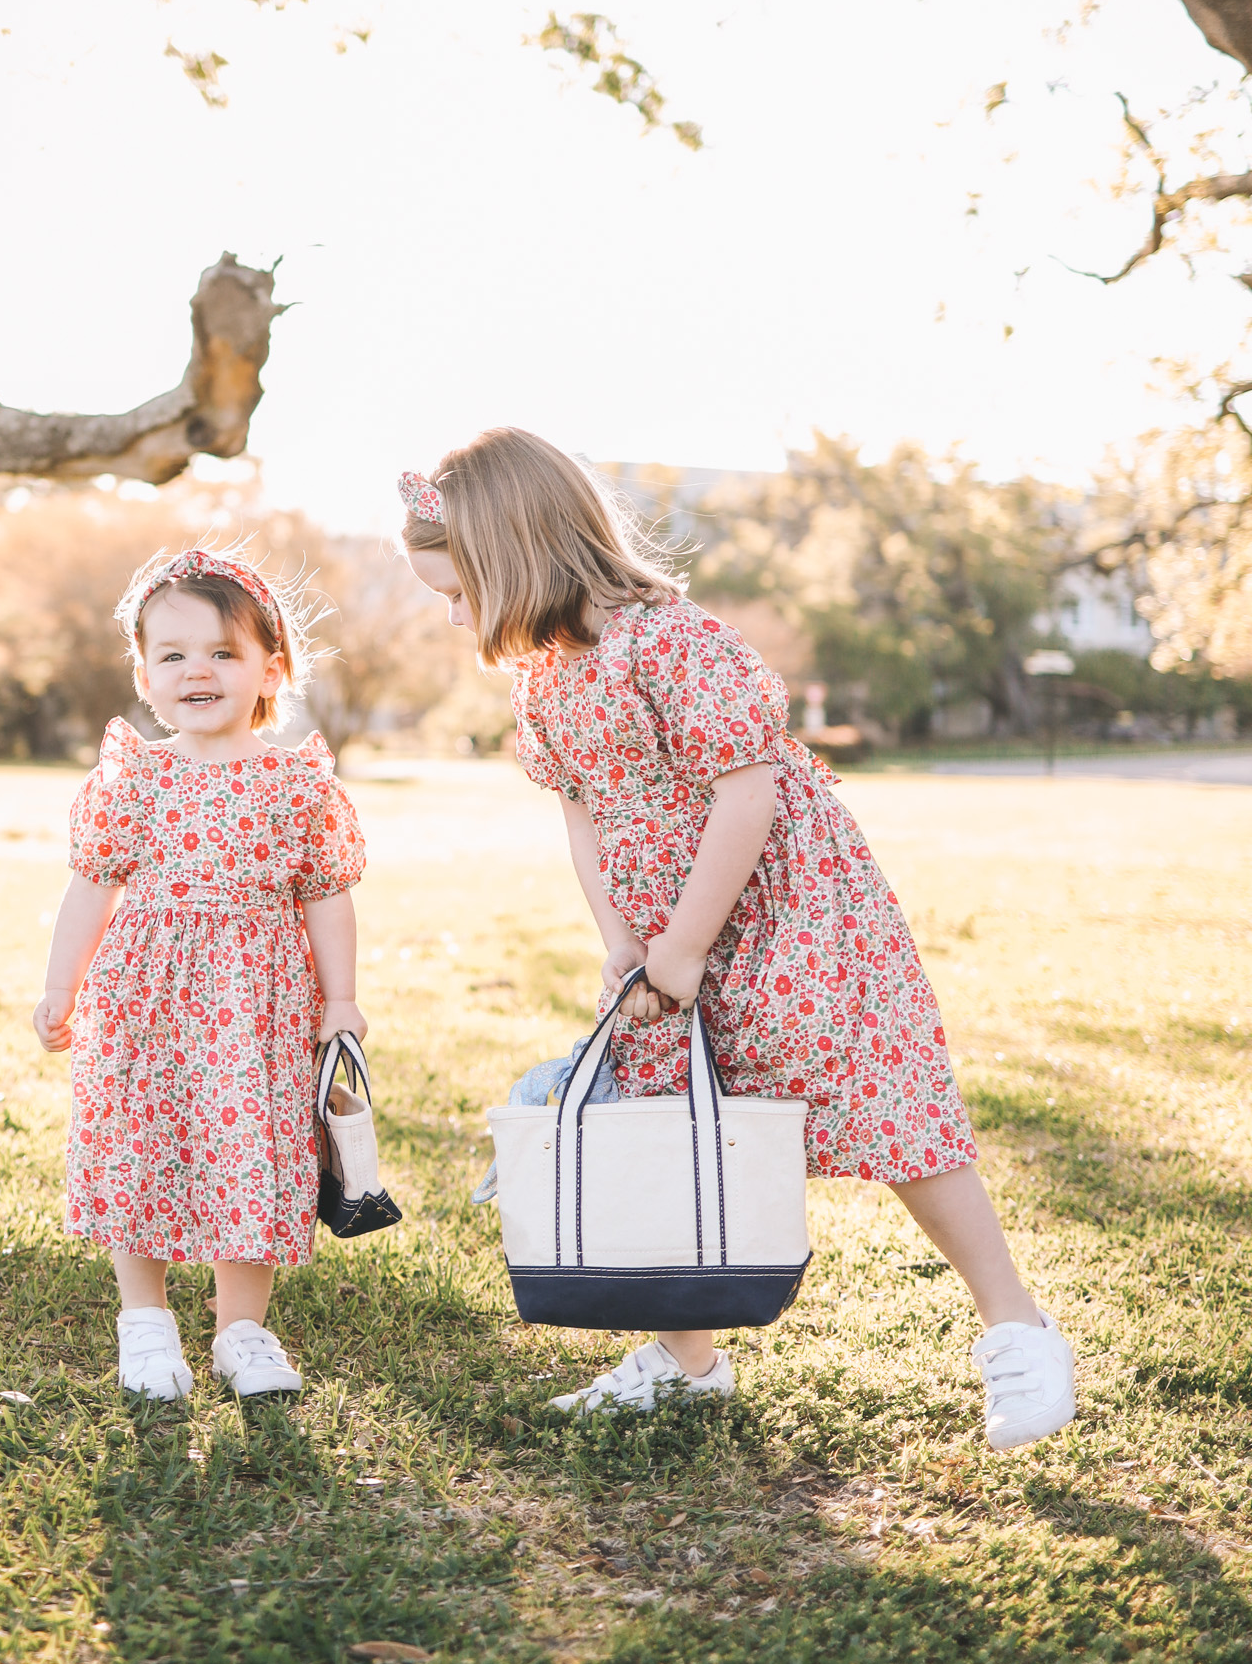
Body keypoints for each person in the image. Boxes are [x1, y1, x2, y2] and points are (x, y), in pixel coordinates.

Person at [399, 431, 1076, 1453]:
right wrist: (625, 944)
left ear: (519, 557)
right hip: (664, 936)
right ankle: (686, 1363)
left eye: (459, 592)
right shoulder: (544, 682)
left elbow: (746, 787)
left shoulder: (669, 642)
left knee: (881, 1098)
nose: (452, 617)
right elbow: (581, 814)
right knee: (668, 1115)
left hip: (782, 912)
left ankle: (1016, 1328)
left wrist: (687, 943)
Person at [32, 545, 366, 1402]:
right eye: (173, 655)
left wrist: (341, 1000)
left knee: (253, 1146)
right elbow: (91, 887)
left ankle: (241, 1330)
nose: (198, 671)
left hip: (257, 1003)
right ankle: (143, 1323)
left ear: (270, 669)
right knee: (134, 1141)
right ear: (143, 675)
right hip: (144, 995)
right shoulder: (135, 776)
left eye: (224, 652)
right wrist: (58, 988)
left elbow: (327, 895)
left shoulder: (295, 784)